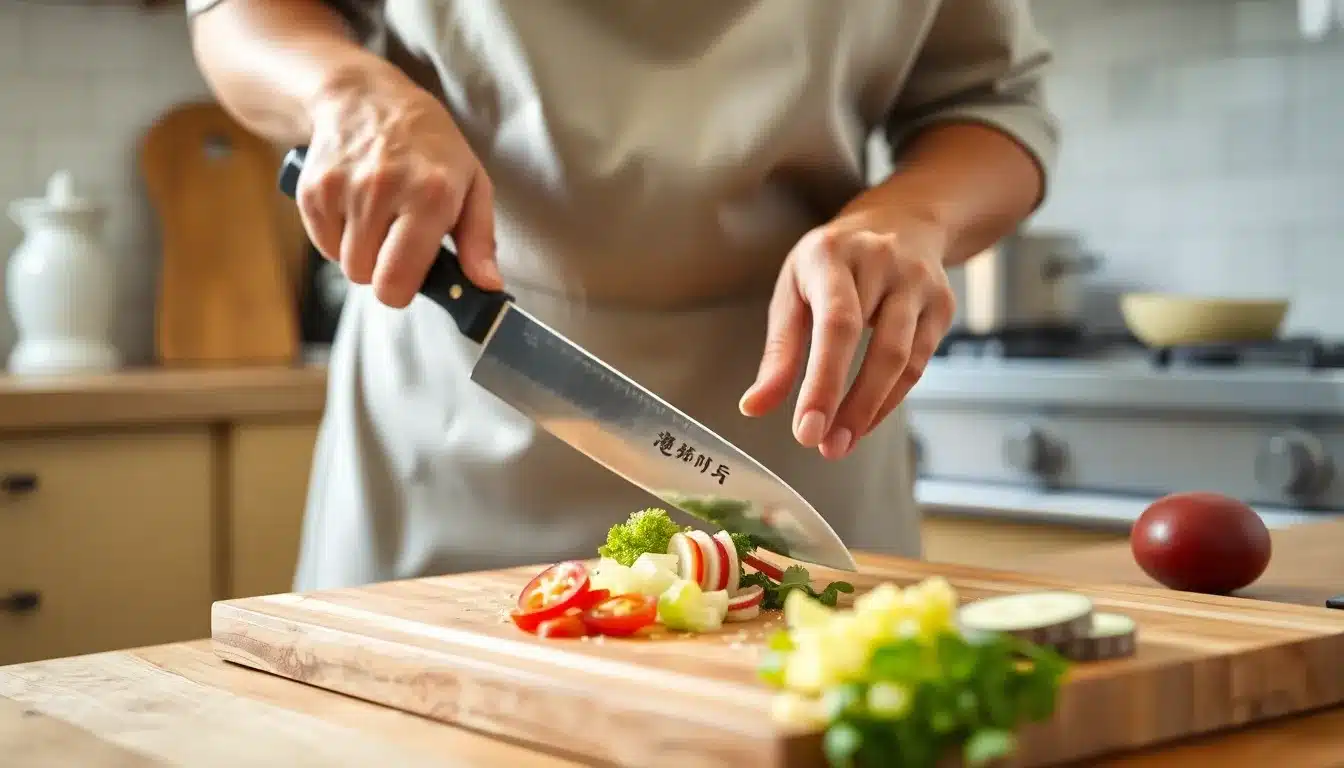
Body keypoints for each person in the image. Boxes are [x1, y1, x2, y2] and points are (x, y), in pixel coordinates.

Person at [186, 0, 1057, 591]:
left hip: (804, 425)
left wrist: (911, 215)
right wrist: (348, 92)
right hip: (446, 410)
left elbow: (995, 103)